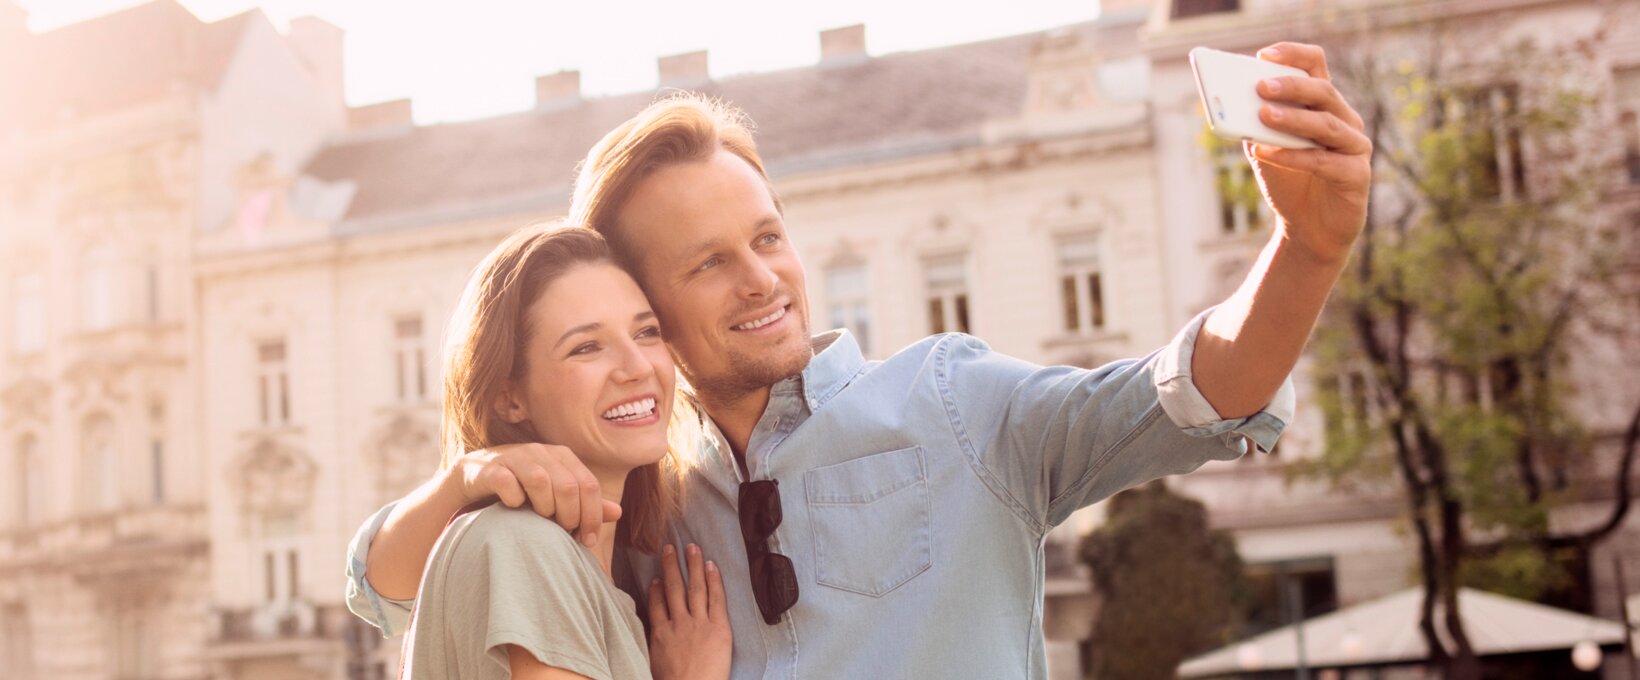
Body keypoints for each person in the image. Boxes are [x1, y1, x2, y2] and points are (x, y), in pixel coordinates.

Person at [346, 42, 1371, 678]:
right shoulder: (642, 499)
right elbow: (390, 588)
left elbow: (1195, 389)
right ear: (647, 307)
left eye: (768, 236)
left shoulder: (955, 400)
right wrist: (465, 476)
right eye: (708, 263)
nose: (762, 278)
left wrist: (1307, 248)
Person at [397, 225, 730, 680]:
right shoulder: (524, 548)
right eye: (587, 347)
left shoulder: (581, 570)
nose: (637, 367)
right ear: (509, 398)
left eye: (647, 332)